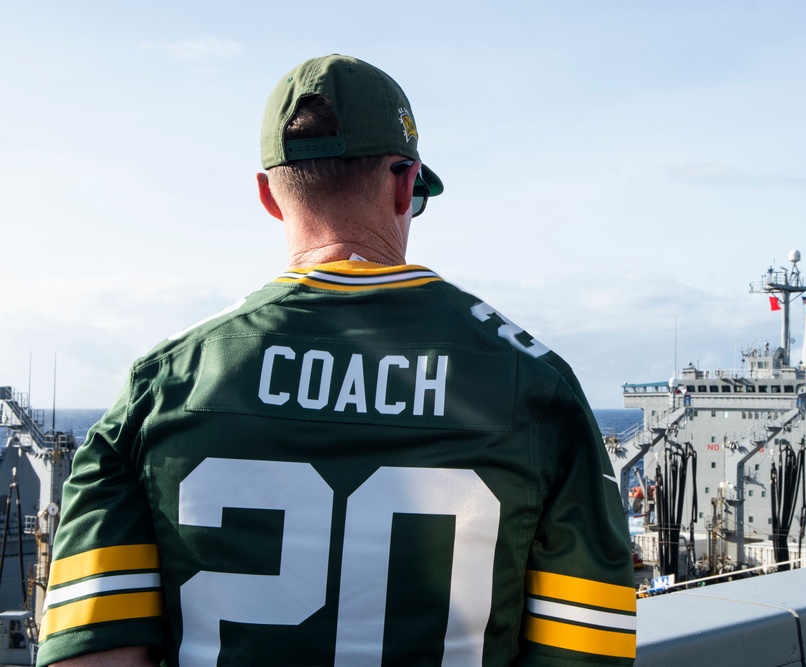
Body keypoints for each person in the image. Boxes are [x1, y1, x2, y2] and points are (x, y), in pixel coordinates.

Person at [37, 54, 636, 666]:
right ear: (407, 185)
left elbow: (91, 656)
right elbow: (586, 650)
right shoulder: (535, 385)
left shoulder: (162, 384)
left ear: (269, 195)